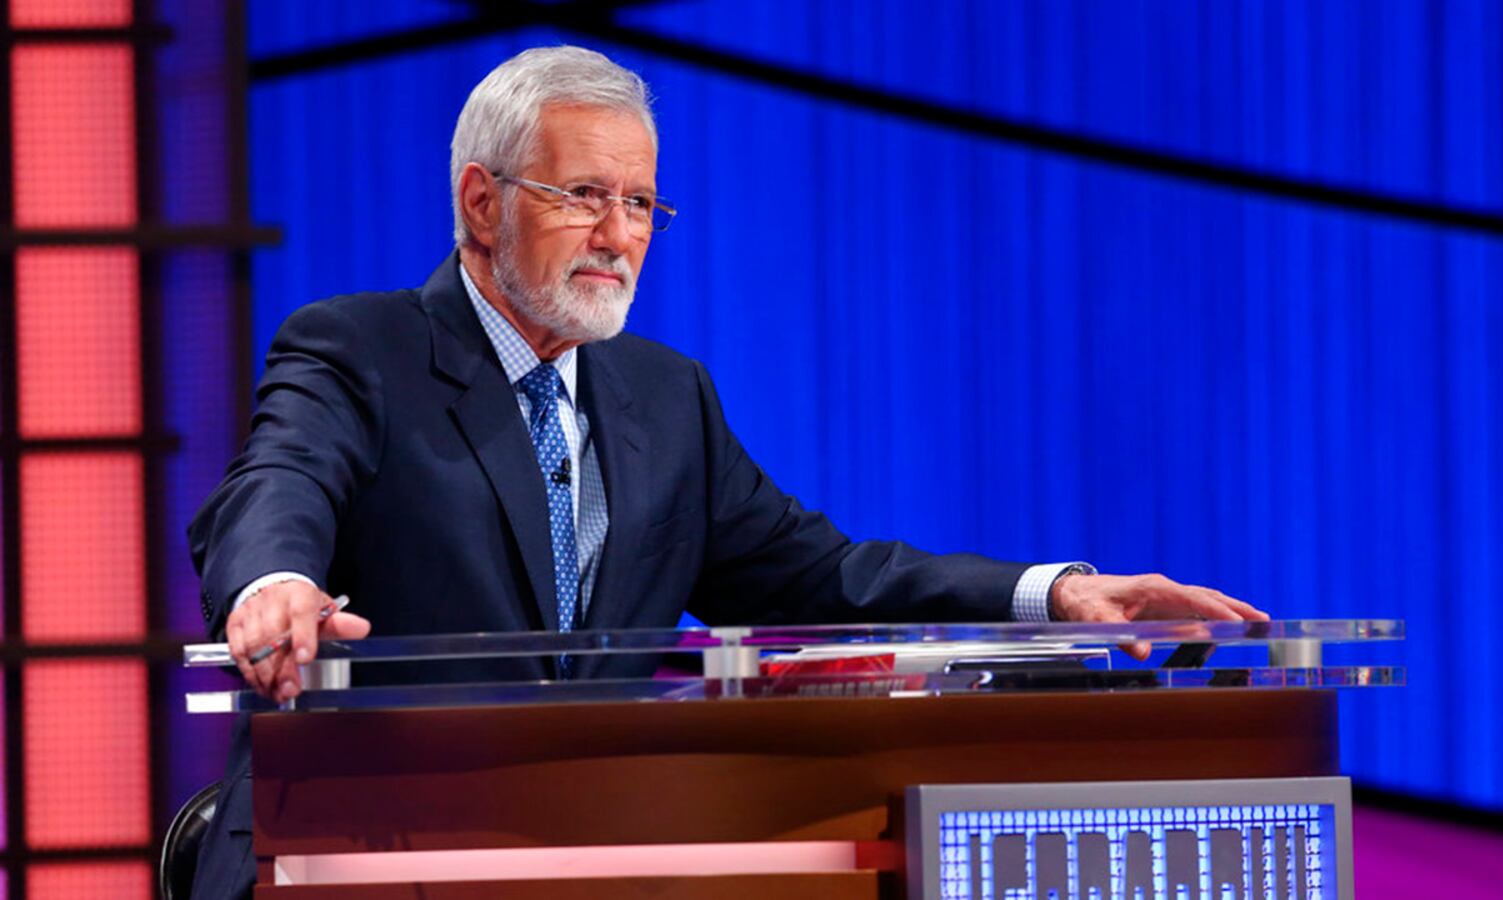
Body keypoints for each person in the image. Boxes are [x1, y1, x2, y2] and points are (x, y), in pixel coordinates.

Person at [186, 45, 1265, 897]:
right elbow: (281, 480)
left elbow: (823, 576)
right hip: (356, 848)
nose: (621, 234)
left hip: (596, 860)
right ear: (481, 203)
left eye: (641, 202)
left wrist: (1058, 595)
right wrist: (271, 583)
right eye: (583, 196)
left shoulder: (666, 396)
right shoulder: (357, 349)